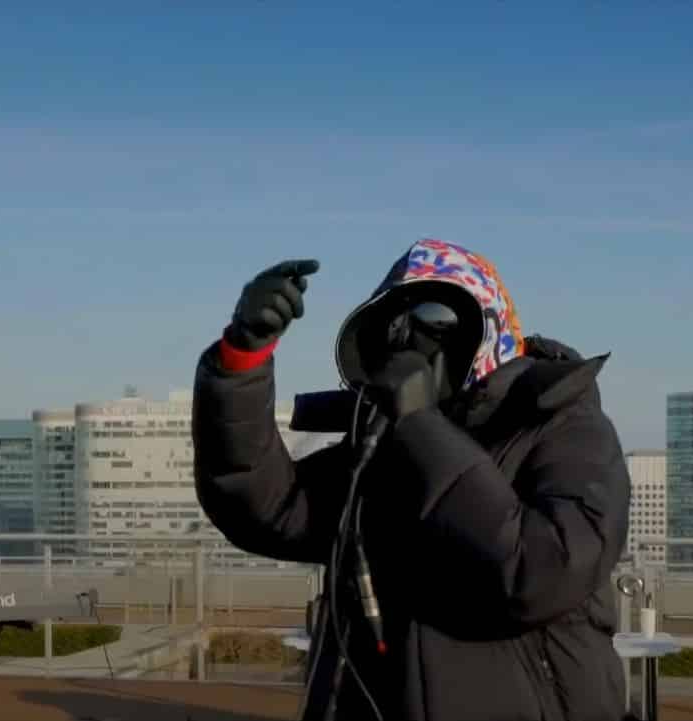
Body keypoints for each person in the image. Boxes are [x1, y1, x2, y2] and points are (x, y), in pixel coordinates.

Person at [192, 239, 632, 721]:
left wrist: (423, 427)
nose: (408, 339)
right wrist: (241, 360)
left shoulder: (564, 426)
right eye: (391, 324)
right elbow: (272, 510)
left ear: (485, 327)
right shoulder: (385, 442)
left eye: (435, 316)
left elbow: (541, 573)